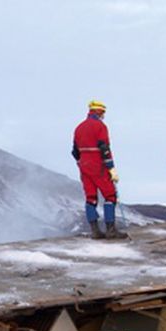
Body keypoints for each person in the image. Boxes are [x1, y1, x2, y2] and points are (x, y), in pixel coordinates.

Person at [72, 100, 127, 239]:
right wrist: (111, 168)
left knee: (91, 198)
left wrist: (81, 162)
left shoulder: (79, 128)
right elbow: (104, 148)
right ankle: (111, 230)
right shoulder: (100, 126)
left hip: (84, 166)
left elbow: (74, 151)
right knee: (110, 196)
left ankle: (95, 231)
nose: (104, 115)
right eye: (103, 112)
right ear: (98, 111)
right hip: (98, 165)